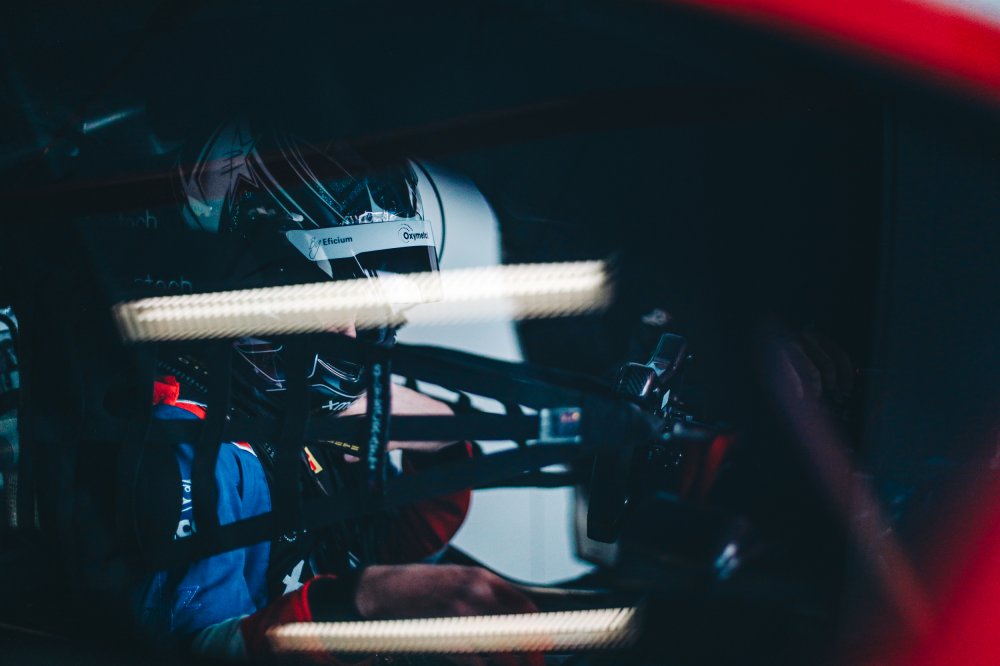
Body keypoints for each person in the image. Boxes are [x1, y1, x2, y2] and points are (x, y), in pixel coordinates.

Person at [131, 121, 538, 660]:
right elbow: (194, 651)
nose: (355, 334)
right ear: (252, 286)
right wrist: (359, 603)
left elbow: (392, 544)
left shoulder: (295, 412)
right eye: (333, 297)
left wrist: (427, 435)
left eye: (369, 305)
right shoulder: (192, 446)